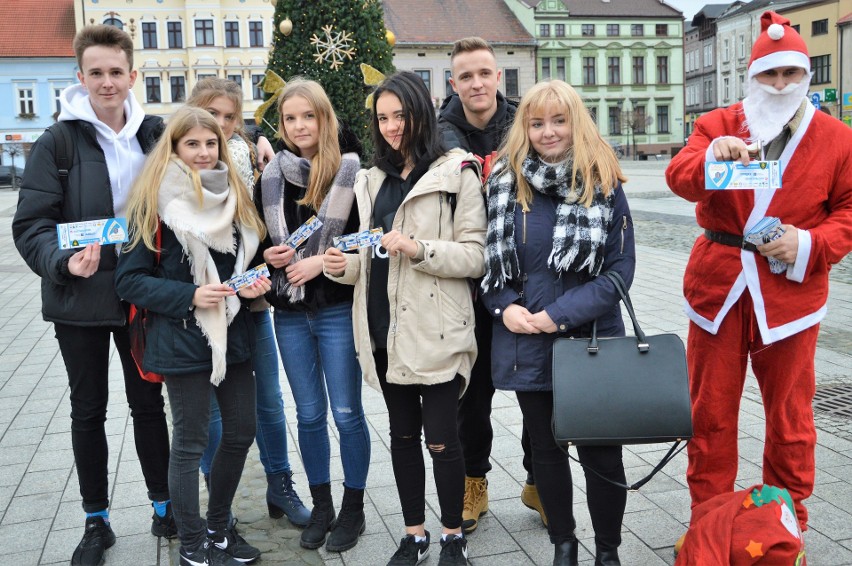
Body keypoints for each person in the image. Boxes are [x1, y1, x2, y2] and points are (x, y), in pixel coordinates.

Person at [665, 11, 852, 552]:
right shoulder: (719, 123)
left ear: (805, 76)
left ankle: (783, 529)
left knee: (791, 419)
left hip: (791, 294)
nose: (780, 85)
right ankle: (708, 524)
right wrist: (707, 160)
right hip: (720, 288)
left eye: (791, 74)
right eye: (769, 75)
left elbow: (847, 210)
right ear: (752, 78)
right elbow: (680, 176)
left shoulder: (836, 138)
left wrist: (809, 244)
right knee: (710, 413)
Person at [12, 24, 175, 565]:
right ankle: (95, 519)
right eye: (96, 73)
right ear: (80, 77)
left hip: (139, 298)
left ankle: (163, 504)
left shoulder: (154, 135)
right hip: (78, 302)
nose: (107, 83)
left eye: (116, 73)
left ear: (133, 76)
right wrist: (62, 262)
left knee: (148, 405)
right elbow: (31, 224)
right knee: (89, 410)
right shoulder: (57, 141)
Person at [324, 70, 486, 566]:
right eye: (384, 118)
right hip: (384, 328)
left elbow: (476, 257)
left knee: (442, 438)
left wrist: (420, 248)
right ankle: (415, 533)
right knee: (401, 437)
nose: (393, 126)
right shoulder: (371, 179)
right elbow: (375, 256)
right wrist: (346, 267)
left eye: (401, 114)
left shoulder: (458, 172)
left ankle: (452, 534)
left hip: (436, 329)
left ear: (422, 111)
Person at [481, 80, 634, 566]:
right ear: (524, 127)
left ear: (576, 122)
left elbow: (619, 272)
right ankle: (563, 547)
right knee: (544, 452)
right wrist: (504, 306)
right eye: (537, 122)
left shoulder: (602, 179)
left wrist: (557, 316)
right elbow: (490, 266)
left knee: (601, 456)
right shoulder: (504, 182)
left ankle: (607, 552)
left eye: (559, 120)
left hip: (591, 342)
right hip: (528, 341)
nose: (548, 132)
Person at [115, 106, 269, 566]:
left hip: (233, 334)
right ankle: (191, 541)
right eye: (192, 144)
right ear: (174, 148)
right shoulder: (154, 203)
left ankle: (219, 527)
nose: (204, 153)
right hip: (181, 336)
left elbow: (239, 267)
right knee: (190, 441)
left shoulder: (235, 195)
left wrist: (255, 280)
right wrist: (190, 294)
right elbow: (129, 280)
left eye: (211, 144)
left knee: (242, 430)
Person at [186, 78, 311, 527]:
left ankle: (280, 484)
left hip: (252, 306)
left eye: (228, 117)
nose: (219, 126)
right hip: (203, 310)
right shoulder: (176, 170)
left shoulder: (245, 160)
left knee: (270, 403)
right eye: (211, 114)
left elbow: (253, 229)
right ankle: (223, 502)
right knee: (212, 414)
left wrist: (265, 263)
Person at [258, 78, 371, 552]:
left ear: (325, 118)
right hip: (288, 313)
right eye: (290, 118)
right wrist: (271, 256)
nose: (300, 125)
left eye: (309, 116)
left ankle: (354, 507)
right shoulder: (269, 177)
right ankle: (321, 504)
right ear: (281, 124)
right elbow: (256, 249)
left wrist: (321, 262)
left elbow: (367, 240)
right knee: (307, 415)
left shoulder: (350, 170)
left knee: (346, 413)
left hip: (336, 310)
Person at [437, 36, 543, 532]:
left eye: (485, 73)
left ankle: (539, 481)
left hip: (524, 283)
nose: (477, 83)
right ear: (453, 83)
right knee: (472, 396)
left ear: (498, 76)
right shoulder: (439, 136)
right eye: (466, 76)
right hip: (467, 286)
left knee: (535, 390)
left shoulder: (527, 124)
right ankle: (473, 484)